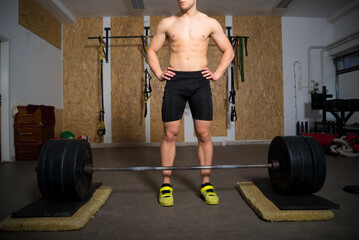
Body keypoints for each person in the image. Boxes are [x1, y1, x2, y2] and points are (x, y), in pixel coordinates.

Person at [147, 0, 234, 207]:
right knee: (170, 134)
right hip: (175, 81)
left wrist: (217, 73)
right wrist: (159, 73)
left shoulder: (210, 23)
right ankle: (166, 185)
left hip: (199, 82)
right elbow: (151, 51)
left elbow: (228, 50)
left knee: (204, 134)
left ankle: (206, 184)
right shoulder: (167, 23)